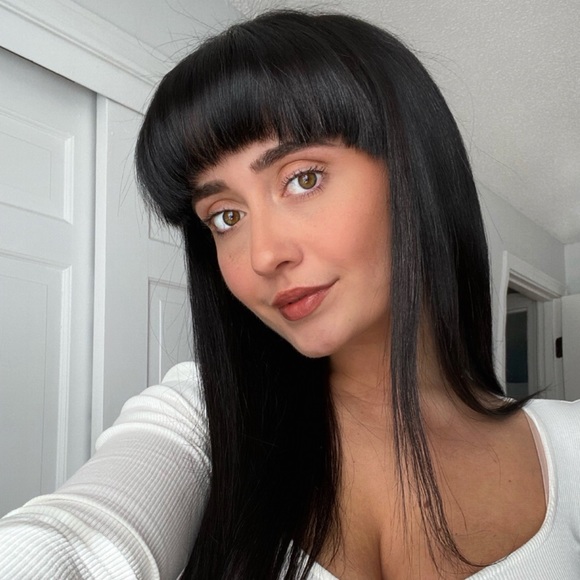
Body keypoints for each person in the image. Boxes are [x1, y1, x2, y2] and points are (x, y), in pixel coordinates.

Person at [0, 9, 578, 580]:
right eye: (225, 216)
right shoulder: (204, 418)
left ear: (414, 170)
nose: (263, 255)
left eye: (303, 178)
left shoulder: (567, 446)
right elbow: (78, 543)